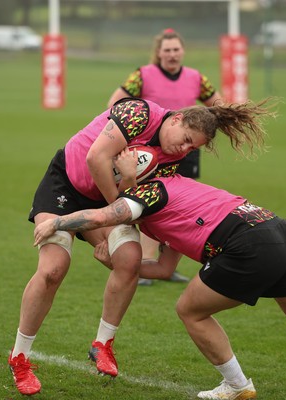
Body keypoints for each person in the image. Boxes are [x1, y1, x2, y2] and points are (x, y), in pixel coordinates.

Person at [8, 96, 273, 395]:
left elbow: (134, 195)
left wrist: (128, 183)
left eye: (192, 148)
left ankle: (103, 344)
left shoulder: (172, 159)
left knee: (128, 260)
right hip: (65, 187)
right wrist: (110, 215)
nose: (184, 151)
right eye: (185, 140)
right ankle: (20, 358)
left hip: (105, 204)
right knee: (54, 269)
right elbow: (95, 159)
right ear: (176, 120)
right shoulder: (139, 113)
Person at [34, 169, 286, 400]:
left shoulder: (146, 194)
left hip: (246, 243)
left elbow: (101, 218)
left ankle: (237, 385)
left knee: (191, 311)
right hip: (276, 227)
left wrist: (56, 222)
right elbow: (164, 268)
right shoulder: (172, 189)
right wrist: (115, 264)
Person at [108, 28, 223, 285]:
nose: (172, 54)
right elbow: (115, 102)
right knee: (150, 203)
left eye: (176, 49)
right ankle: (146, 262)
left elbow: (218, 105)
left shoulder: (197, 78)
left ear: (183, 51)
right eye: (167, 50)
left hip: (186, 150)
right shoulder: (142, 75)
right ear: (158, 53)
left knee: (181, 205)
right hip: (153, 154)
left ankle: (168, 266)